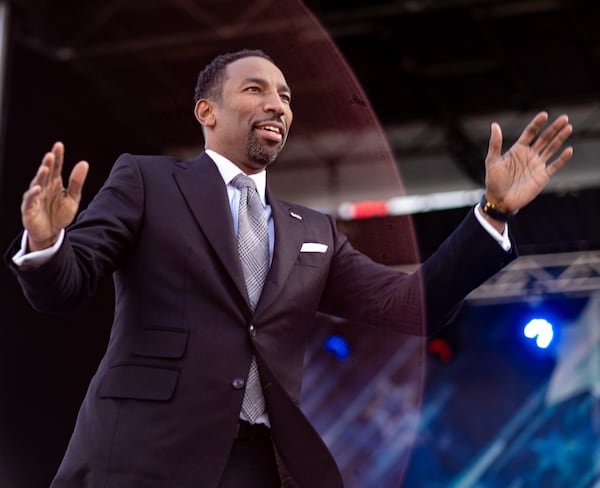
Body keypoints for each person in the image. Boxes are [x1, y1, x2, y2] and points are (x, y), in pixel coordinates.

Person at [6, 49, 573, 488]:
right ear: (207, 111)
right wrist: (47, 239)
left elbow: (410, 306)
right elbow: (65, 287)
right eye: (255, 90)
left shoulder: (313, 230)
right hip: (144, 455)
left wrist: (492, 213)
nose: (278, 103)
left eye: (285, 95)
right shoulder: (148, 181)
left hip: (260, 464)